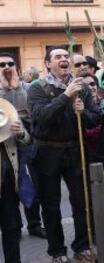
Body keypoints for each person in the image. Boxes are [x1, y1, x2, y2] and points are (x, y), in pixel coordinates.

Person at [27, 46, 100, 263]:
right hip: (46, 151)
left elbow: (95, 118)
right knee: (50, 204)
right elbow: (41, 117)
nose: (64, 59)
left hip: (75, 149)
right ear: (48, 64)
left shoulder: (82, 88)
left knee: (81, 201)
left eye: (66, 56)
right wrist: (65, 97)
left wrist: (82, 112)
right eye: (58, 57)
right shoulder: (37, 88)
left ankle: (82, 246)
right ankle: (57, 251)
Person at [0, 53, 47, 240]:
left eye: (10, 63)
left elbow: (30, 112)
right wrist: (4, 90)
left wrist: (16, 88)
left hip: (26, 140)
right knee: (9, 186)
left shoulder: (26, 87)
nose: (6, 67)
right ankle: (15, 226)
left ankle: (34, 224)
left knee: (31, 184)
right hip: (4, 147)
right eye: (1, 64)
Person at [0, 98, 31, 263]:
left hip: (8, 182)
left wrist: (20, 132)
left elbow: (27, 139)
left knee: (11, 230)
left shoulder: (6, 109)